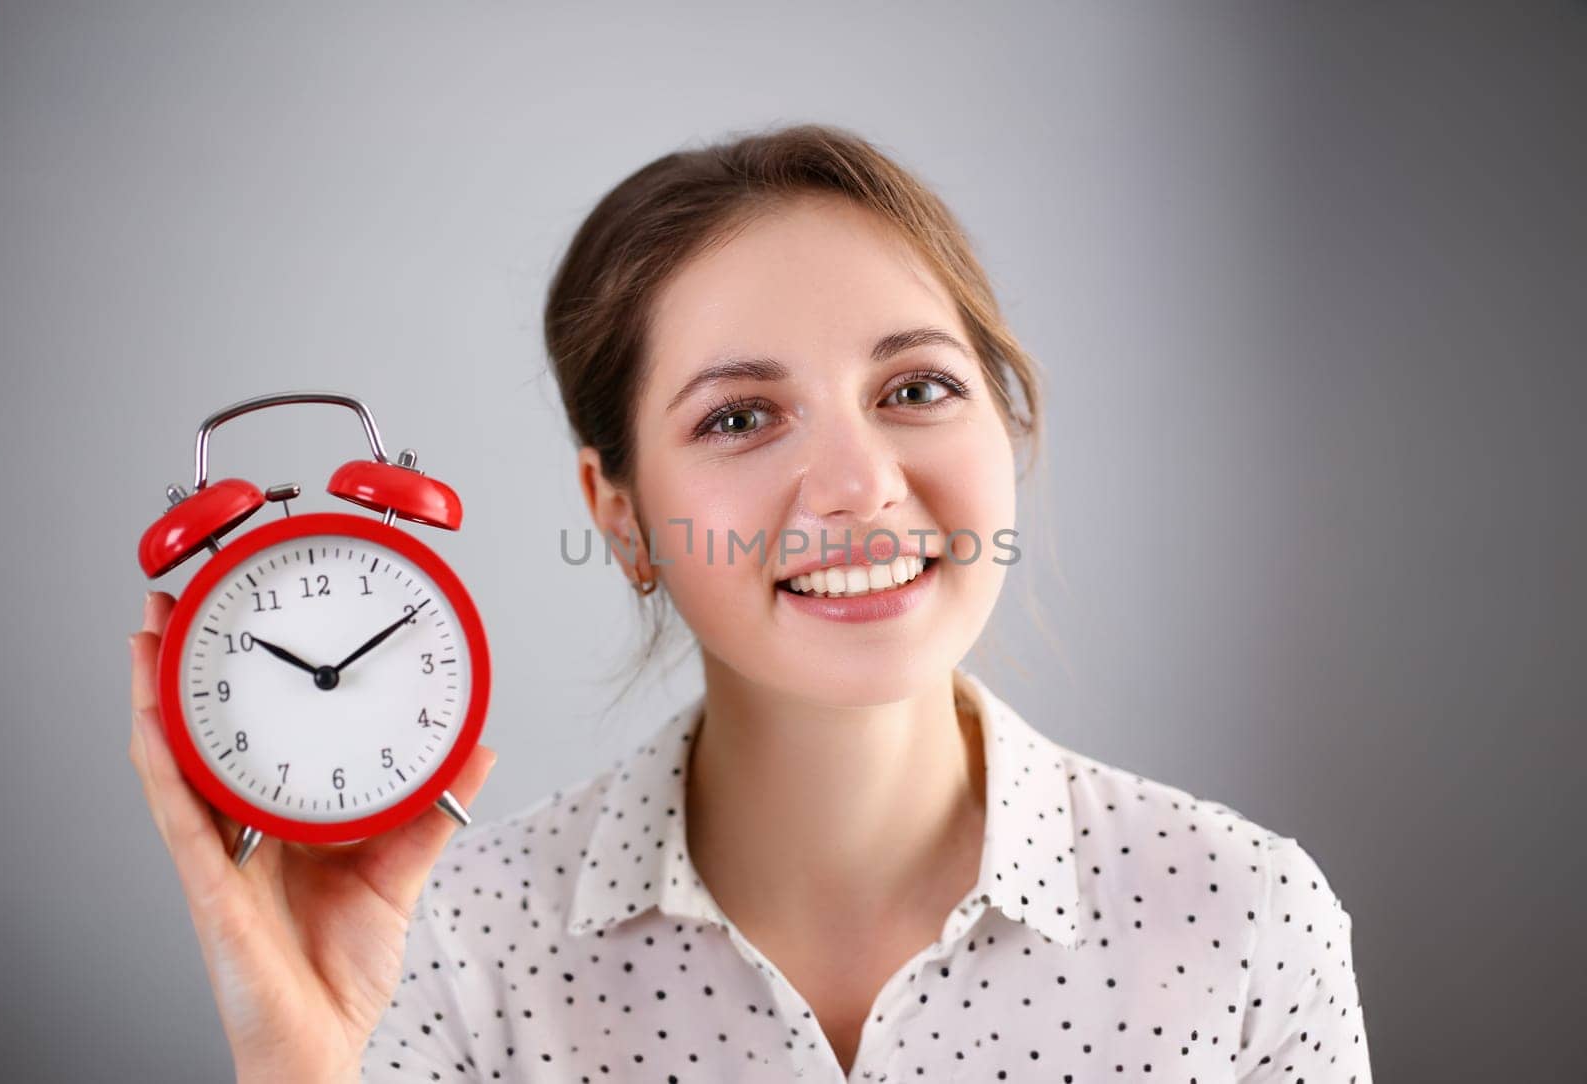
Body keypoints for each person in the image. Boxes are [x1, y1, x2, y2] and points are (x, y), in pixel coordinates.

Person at [127, 123, 1372, 1082]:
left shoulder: (1242, 919)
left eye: (917, 388)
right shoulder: (457, 952)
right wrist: (305, 1066)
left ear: (1007, 419)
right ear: (618, 512)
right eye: (737, 416)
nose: (856, 486)